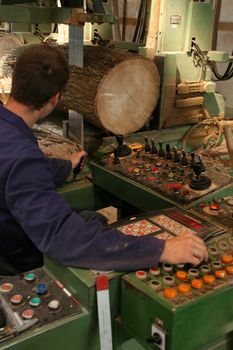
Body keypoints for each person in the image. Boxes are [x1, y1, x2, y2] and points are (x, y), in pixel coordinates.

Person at [0, 44, 208, 275]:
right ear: (55, 99)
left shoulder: (11, 136)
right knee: (90, 228)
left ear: (15, 80)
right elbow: (62, 238)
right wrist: (159, 249)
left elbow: (16, 168)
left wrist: (66, 166)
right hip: (16, 255)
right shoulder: (24, 159)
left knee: (92, 217)